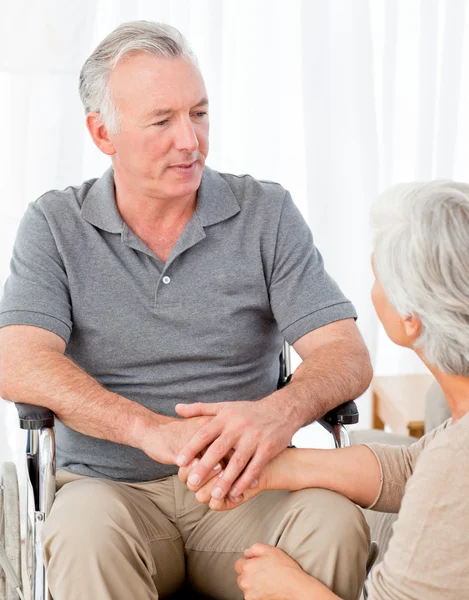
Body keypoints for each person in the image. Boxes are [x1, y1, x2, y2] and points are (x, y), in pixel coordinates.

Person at [0, 21, 372, 600]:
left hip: (248, 489)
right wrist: (150, 432)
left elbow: (345, 354)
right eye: (162, 121)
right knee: (80, 530)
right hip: (112, 494)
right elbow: (17, 362)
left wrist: (281, 412)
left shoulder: (265, 212)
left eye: (199, 114)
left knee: (334, 522)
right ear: (103, 133)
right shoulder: (54, 225)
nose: (190, 140)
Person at [183, 180, 469, 600]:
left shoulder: (455, 461)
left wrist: (290, 588)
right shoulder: (452, 441)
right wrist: (275, 470)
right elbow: (415, 468)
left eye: (377, 276)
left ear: (411, 318)